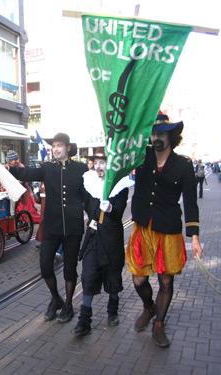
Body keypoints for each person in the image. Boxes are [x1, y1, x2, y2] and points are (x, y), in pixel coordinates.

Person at [126, 113, 203, 348]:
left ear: (171, 136)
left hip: (167, 229)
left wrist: (195, 238)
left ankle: (159, 323)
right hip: (142, 226)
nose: (156, 137)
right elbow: (121, 144)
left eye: (161, 133)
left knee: (166, 281)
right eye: (153, 133)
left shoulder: (183, 165)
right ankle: (149, 308)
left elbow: (190, 202)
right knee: (139, 279)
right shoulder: (141, 157)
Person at [9, 133, 88, 323]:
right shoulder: (47, 168)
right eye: (54, 146)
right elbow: (26, 173)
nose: (56, 149)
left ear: (68, 148)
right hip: (51, 227)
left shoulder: (81, 168)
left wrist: (95, 217)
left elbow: (88, 194)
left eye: (59, 145)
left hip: (73, 228)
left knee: (70, 269)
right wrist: (9, 169)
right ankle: (56, 299)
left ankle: (68, 305)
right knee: (45, 266)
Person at [73, 153, 132, 336]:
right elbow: (82, 201)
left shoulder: (120, 186)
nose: (99, 166)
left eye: (103, 163)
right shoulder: (89, 183)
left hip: (111, 238)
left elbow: (119, 211)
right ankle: (84, 320)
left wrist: (111, 208)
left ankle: (112, 310)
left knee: (113, 274)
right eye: (96, 162)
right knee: (89, 275)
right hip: (93, 237)